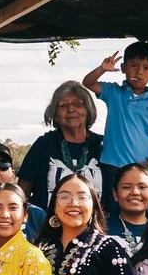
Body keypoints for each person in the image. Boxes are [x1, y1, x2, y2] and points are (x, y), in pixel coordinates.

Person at [18, 81, 108, 215]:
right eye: (64, 106)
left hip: (96, 230)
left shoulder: (103, 145)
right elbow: (22, 191)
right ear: (55, 114)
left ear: (88, 110)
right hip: (46, 229)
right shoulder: (44, 144)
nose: (71, 109)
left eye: (78, 104)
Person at [84, 40, 148, 174]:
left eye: (146, 68)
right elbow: (88, 83)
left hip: (143, 167)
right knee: (112, 195)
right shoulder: (113, 92)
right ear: (123, 68)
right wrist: (102, 69)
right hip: (113, 166)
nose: (139, 72)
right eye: (134, 65)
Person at [110, 163, 148, 256]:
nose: (135, 192)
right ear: (115, 194)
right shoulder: (100, 231)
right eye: (126, 187)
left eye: (142, 187)